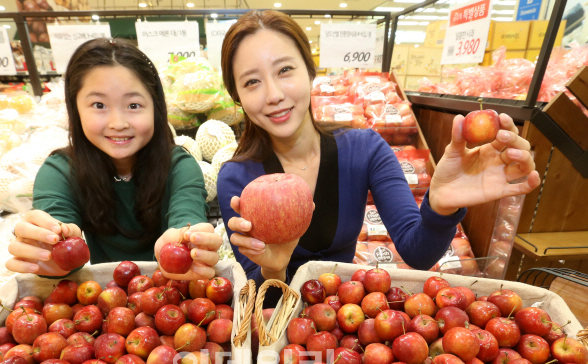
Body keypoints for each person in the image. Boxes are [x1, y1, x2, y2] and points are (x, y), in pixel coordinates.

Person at [216, 10, 541, 306]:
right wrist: (274, 269)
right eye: (252, 82)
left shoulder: (364, 149)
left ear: (309, 70)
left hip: (351, 320)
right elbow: (260, 302)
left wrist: (442, 206)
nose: (273, 94)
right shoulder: (237, 178)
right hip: (281, 334)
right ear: (238, 96)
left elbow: (417, 253)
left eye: (285, 69)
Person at [6, 38, 222, 279]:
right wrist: (49, 250)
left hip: (171, 290)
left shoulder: (179, 165)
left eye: (133, 105)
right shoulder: (60, 171)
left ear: (156, 108)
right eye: (99, 104)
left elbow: (187, 215)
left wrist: (188, 242)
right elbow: (55, 223)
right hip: (98, 299)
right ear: (75, 108)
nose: (118, 123)